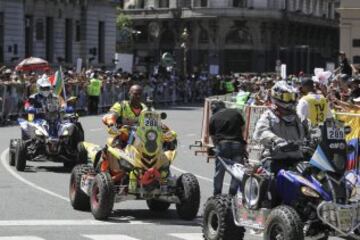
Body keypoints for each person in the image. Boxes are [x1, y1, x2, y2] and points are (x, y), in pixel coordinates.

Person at [253, 81, 305, 174]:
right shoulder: (269, 115)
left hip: (297, 159)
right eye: (287, 97)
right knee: (276, 179)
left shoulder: (298, 117)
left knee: (314, 176)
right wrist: (275, 140)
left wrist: (317, 134)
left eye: (293, 96)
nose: (291, 100)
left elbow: (310, 129)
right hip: (275, 159)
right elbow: (260, 132)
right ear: (277, 96)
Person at [209, 100, 247, 196]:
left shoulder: (213, 118)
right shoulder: (235, 113)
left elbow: (213, 137)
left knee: (219, 171)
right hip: (238, 144)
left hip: (222, 145)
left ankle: (217, 194)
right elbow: (243, 128)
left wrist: (216, 147)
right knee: (237, 170)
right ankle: (232, 193)